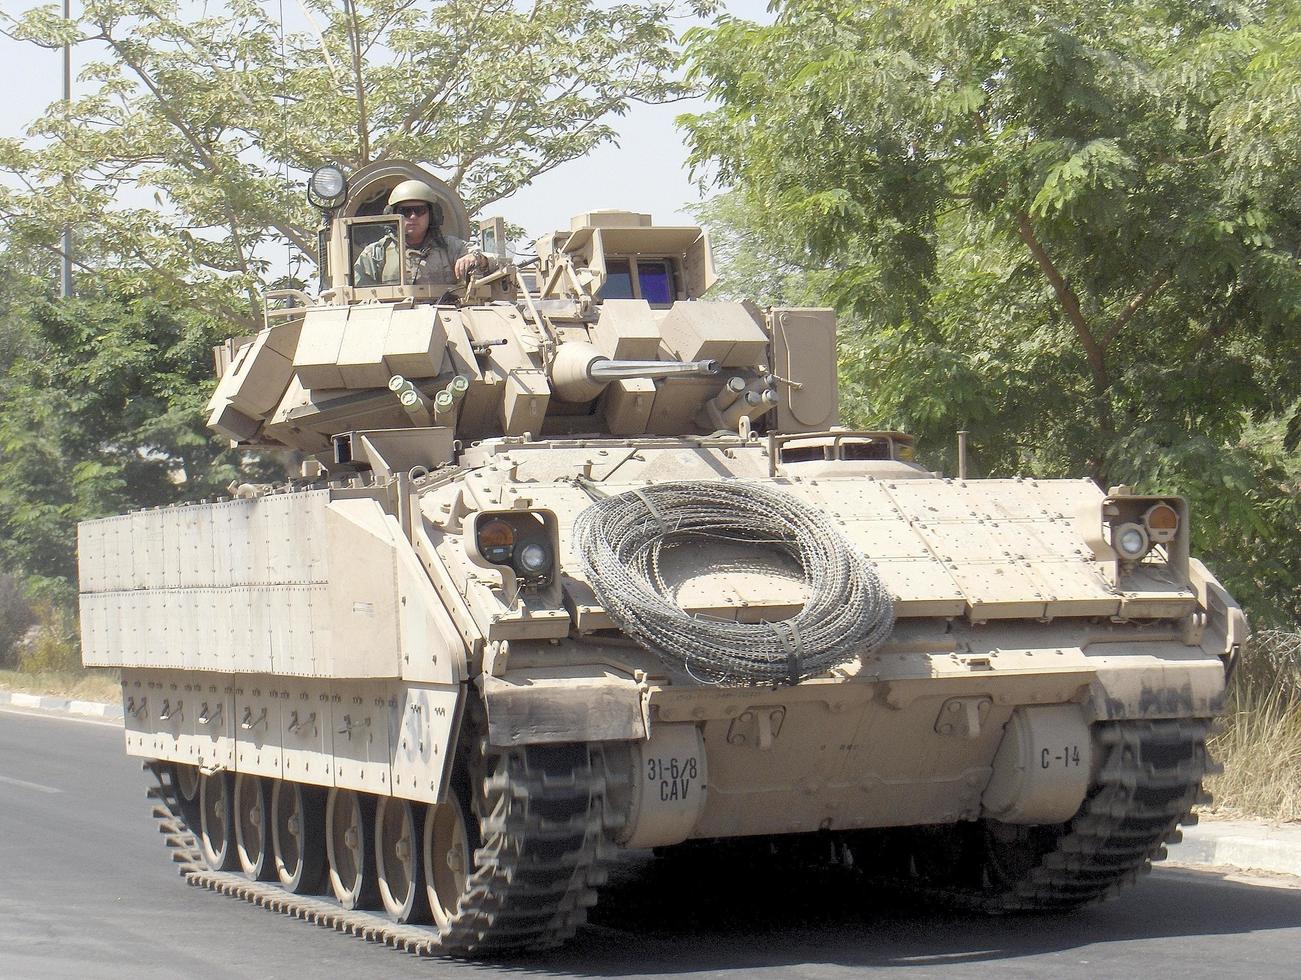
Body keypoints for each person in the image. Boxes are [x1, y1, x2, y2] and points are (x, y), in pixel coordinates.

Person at [353, 179, 493, 287]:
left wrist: (477, 258)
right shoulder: (376, 252)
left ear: (432, 215)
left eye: (419, 210)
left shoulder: (450, 247)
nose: (413, 217)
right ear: (393, 215)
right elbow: (356, 293)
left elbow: (496, 261)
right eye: (405, 212)